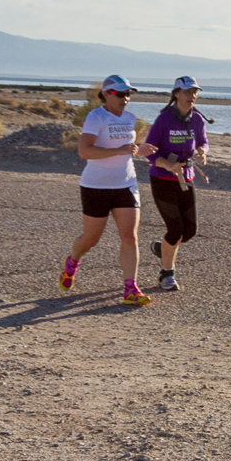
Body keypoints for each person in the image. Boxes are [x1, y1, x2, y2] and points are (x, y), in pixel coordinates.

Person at [60, 74, 153, 306]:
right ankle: (72, 262)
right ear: (106, 94)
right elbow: (85, 151)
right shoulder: (96, 116)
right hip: (96, 186)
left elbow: (127, 149)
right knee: (91, 240)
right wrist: (120, 150)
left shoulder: (130, 118)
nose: (126, 99)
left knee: (130, 236)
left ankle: (131, 288)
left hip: (126, 183)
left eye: (129, 94)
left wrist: (138, 149)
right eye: (121, 94)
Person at [144, 75, 212, 292]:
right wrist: (167, 165)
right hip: (163, 179)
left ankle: (162, 248)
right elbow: (149, 152)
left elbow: (203, 141)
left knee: (189, 231)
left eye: (195, 92)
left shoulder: (197, 119)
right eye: (188, 92)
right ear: (176, 94)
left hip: (187, 178)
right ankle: (167, 273)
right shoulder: (164, 120)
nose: (192, 96)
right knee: (175, 229)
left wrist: (202, 151)